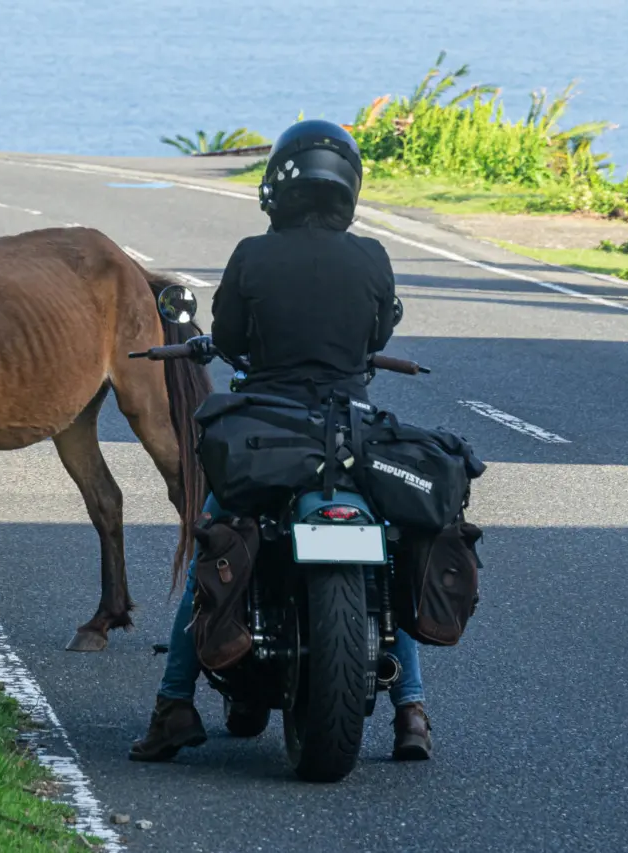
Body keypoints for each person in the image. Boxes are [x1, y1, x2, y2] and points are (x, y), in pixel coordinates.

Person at [129, 119, 432, 764]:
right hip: (351, 433)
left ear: (278, 187)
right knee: (391, 549)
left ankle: (173, 704)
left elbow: (231, 340)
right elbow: (377, 339)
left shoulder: (252, 255)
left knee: (214, 544)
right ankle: (412, 710)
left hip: (269, 427)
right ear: (348, 187)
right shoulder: (373, 257)